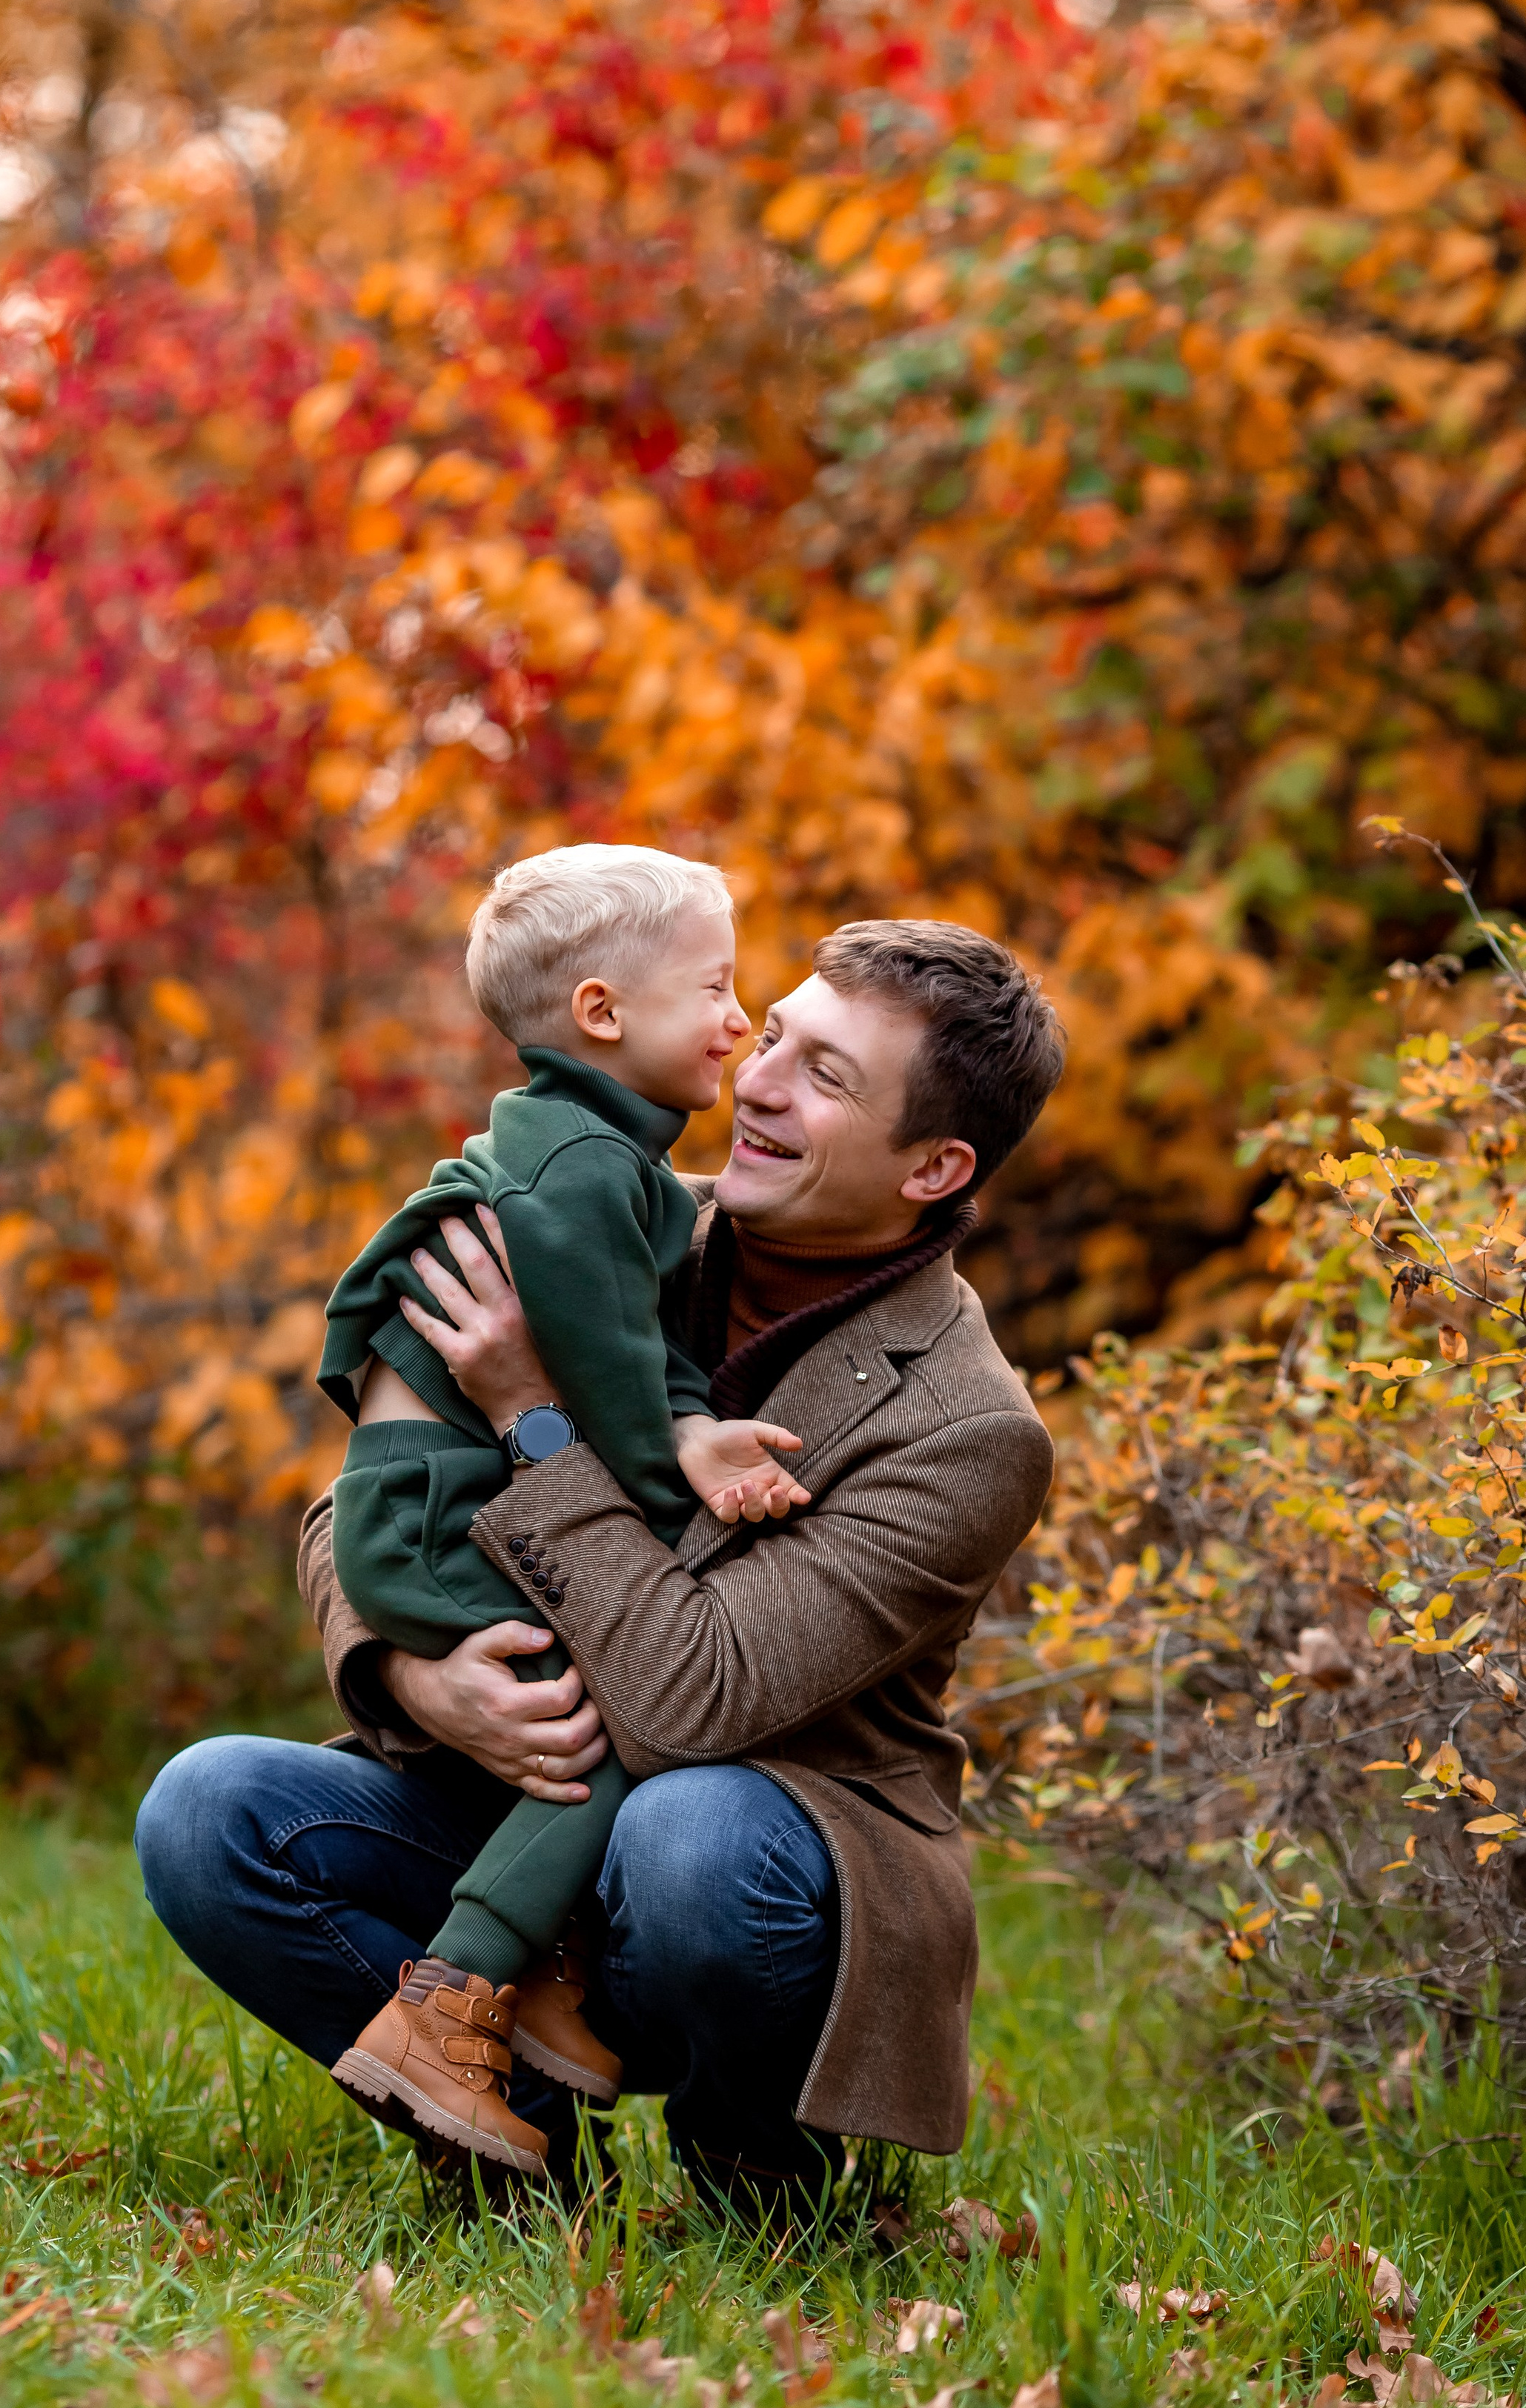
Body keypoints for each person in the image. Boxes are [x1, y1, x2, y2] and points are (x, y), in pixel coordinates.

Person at [136, 917, 1064, 2218]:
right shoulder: (605, 1217)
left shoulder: (968, 1431)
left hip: (765, 1856)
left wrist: (534, 1417)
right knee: (208, 1811)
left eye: (828, 1075)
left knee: (689, 1837)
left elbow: (695, 1701)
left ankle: (761, 2177)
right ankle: (509, 2155)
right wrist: (416, 1678)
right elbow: (353, 1504)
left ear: (935, 1167)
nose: (760, 1077)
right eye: (777, 1032)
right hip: (525, 1788)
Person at [314, 843, 812, 2172]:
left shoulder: (602, 1161)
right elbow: (596, 1386)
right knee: (610, 1721)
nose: (735, 1022)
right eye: (713, 990)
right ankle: (457, 2003)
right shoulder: (583, 1174)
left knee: (617, 1700)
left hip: (450, 1498)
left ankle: (542, 1978)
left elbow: (638, 1369)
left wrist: (694, 1430)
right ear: (603, 1014)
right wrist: (681, 1491)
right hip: (433, 1517)